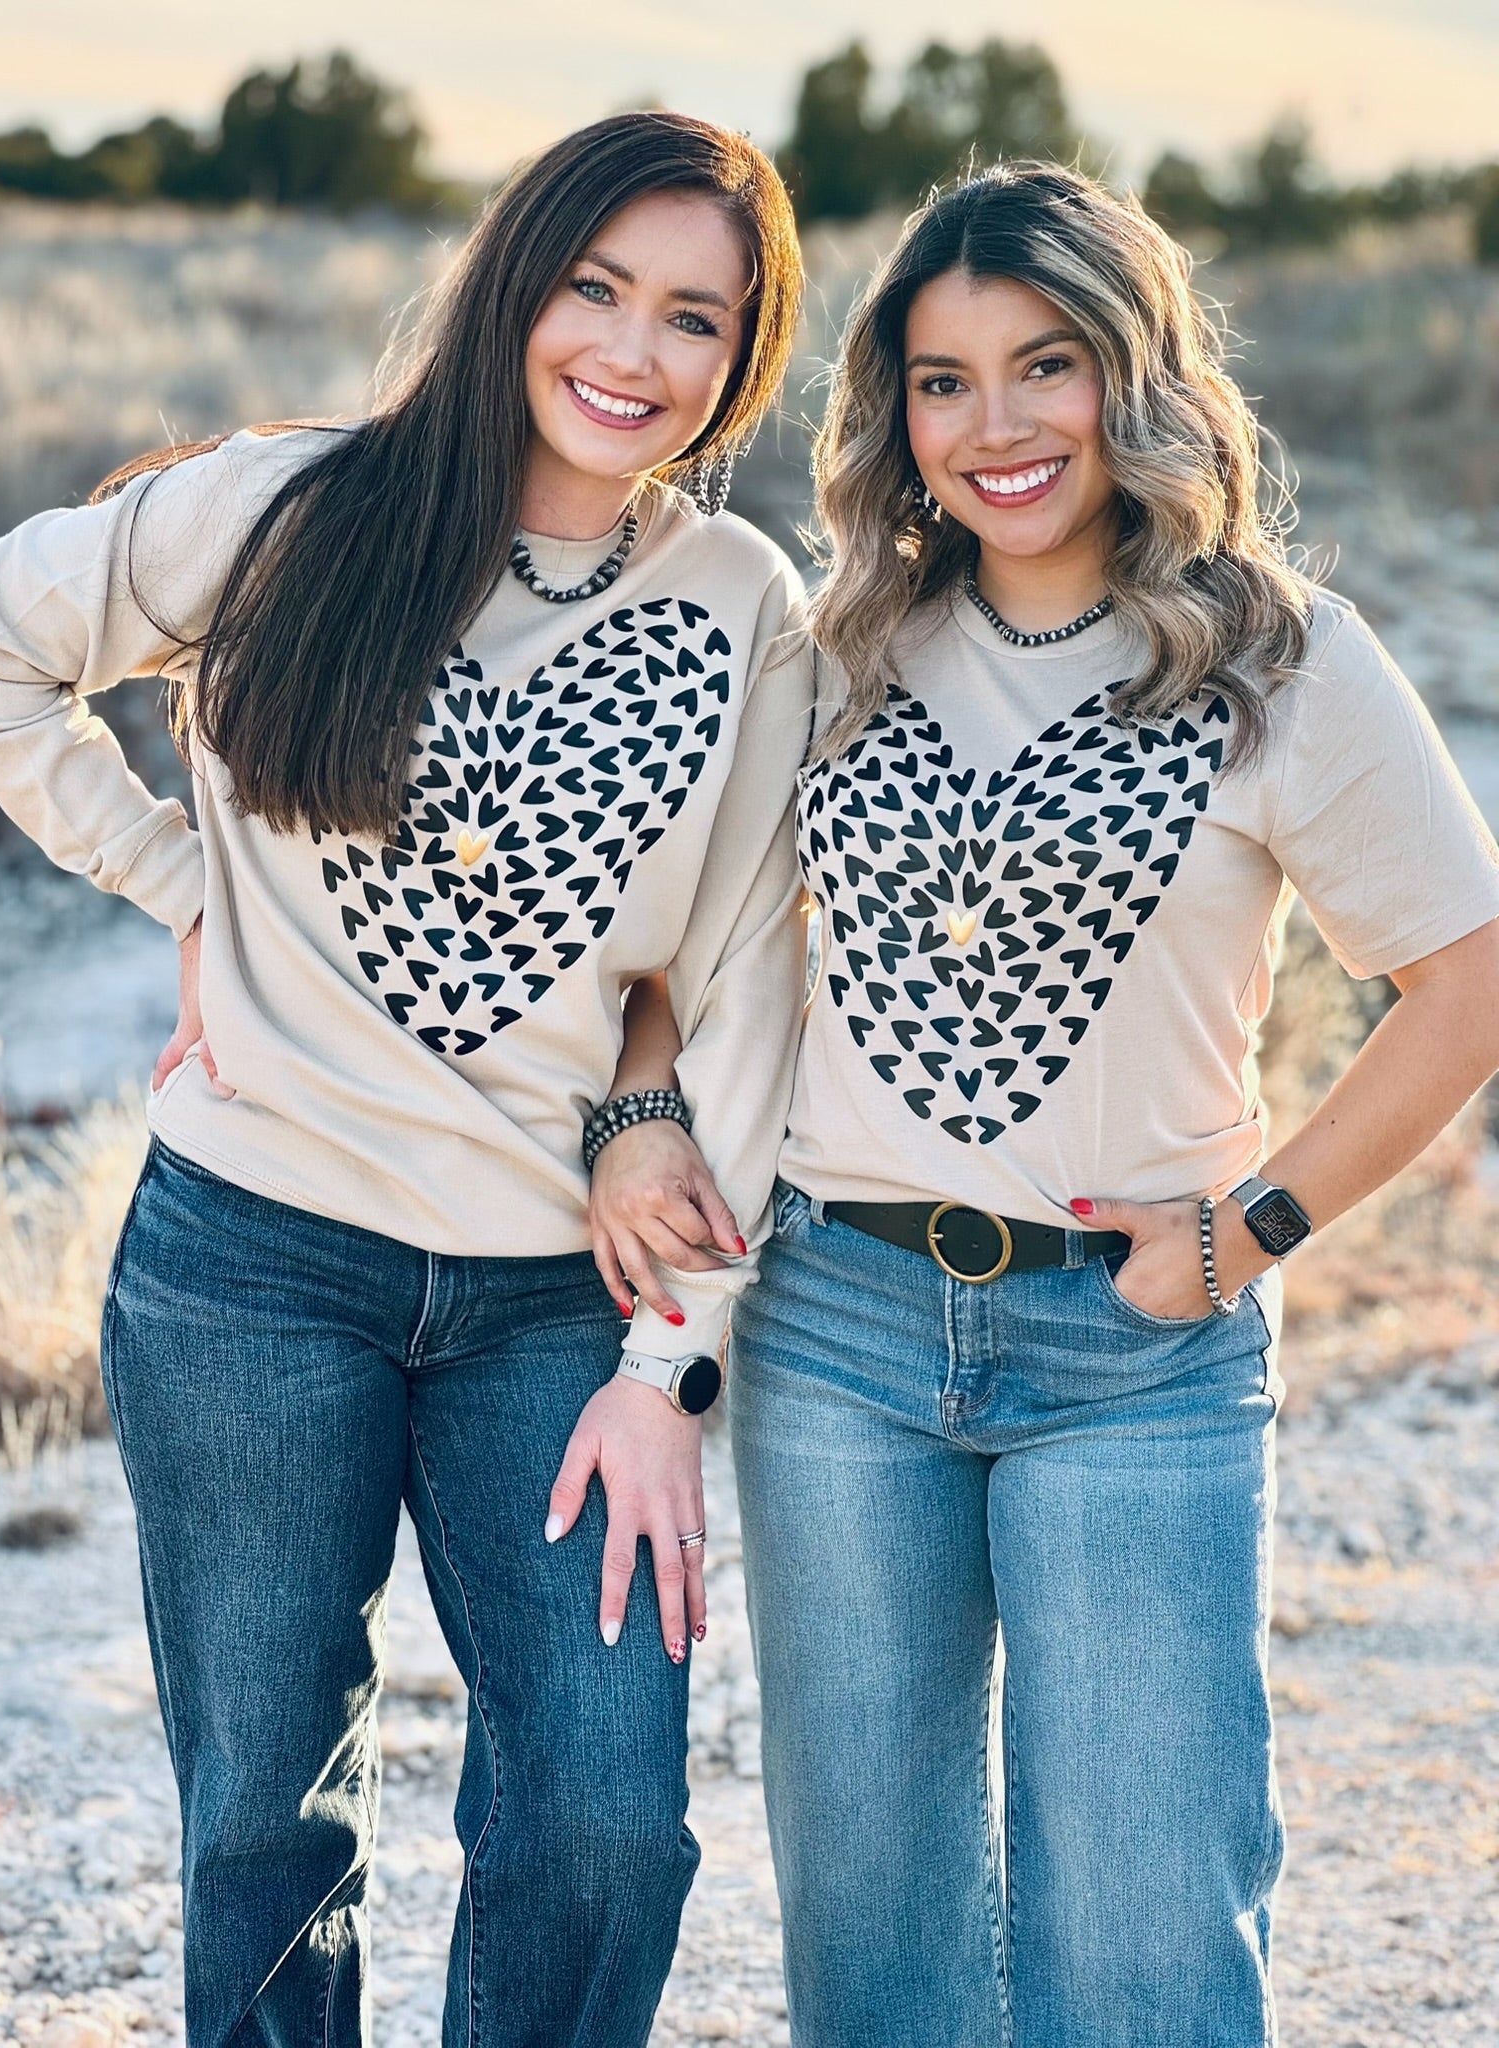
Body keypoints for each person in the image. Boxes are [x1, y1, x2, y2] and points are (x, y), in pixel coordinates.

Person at [592, 164, 1499, 2047]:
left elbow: (1467, 980)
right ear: (894, 414)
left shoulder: (1278, 660)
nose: (994, 427)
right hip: (836, 1327)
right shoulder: (830, 651)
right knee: (878, 1940)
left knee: (1150, 1946)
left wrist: (1249, 1233)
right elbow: (682, 943)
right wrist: (644, 1105)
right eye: (941, 382)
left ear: (1136, 376)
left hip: (1139, 1346)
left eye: (1047, 366)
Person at [0, 112, 812, 2048]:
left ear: (739, 356)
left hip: (553, 1304)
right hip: (248, 1267)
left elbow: (740, 979)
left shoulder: (740, 599)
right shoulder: (293, 510)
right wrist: (180, 876)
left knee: (608, 1824)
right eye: (595, 287)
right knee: (263, 1817)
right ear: (517, 282)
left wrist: (670, 1356)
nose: (633, 350)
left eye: (696, 316)